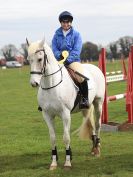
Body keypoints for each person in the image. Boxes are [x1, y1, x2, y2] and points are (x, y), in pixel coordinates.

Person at [52, 11, 89, 109]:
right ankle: (45, 101)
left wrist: (69, 59)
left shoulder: (76, 34)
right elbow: (54, 48)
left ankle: (85, 99)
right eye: (64, 22)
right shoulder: (56, 35)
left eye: (68, 22)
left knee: (80, 76)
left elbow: (77, 49)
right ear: (61, 23)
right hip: (59, 61)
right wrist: (59, 56)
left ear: (71, 22)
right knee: (48, 74)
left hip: (72, 61)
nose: (66, 24)